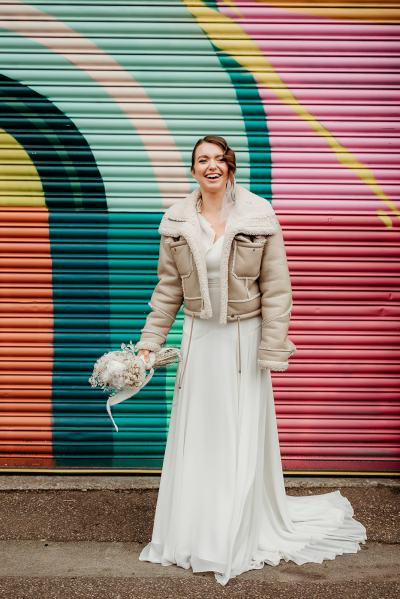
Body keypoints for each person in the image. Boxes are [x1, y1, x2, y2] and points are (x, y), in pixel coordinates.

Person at [135, 135, 367, 586]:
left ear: (231, 166)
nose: (211, 166)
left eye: (219, 159)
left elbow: (278, 289)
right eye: (202, 160)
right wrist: (149, 342)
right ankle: (196, 529)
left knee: (238, 434)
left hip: (244, 339)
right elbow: (168, 290)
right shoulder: (177, 221)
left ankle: (236, 531)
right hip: (201, 339)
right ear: (192, 169)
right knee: (200, 435)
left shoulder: (259, 216)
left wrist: (273, 346)